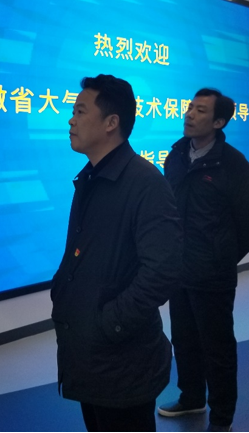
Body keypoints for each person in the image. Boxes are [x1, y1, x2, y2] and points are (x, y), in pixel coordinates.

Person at [51, 74, 182, 432]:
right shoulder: (90, 178)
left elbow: (163, 270)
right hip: (90, 353)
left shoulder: (145, 183)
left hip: (122, 357)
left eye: (80, 111)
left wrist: (110, 323)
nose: (71, 120)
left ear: (111, 123)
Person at [158, 88, 249, 432]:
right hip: (178, 270)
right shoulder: (176, 155)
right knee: (184, 340)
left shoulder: (233, 165)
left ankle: (221, 418)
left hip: (213, 275)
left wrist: (221, 257)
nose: (189, 114)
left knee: (217, 349)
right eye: (190, 107)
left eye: (200, 110)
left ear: (219, 122)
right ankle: (191, 398)